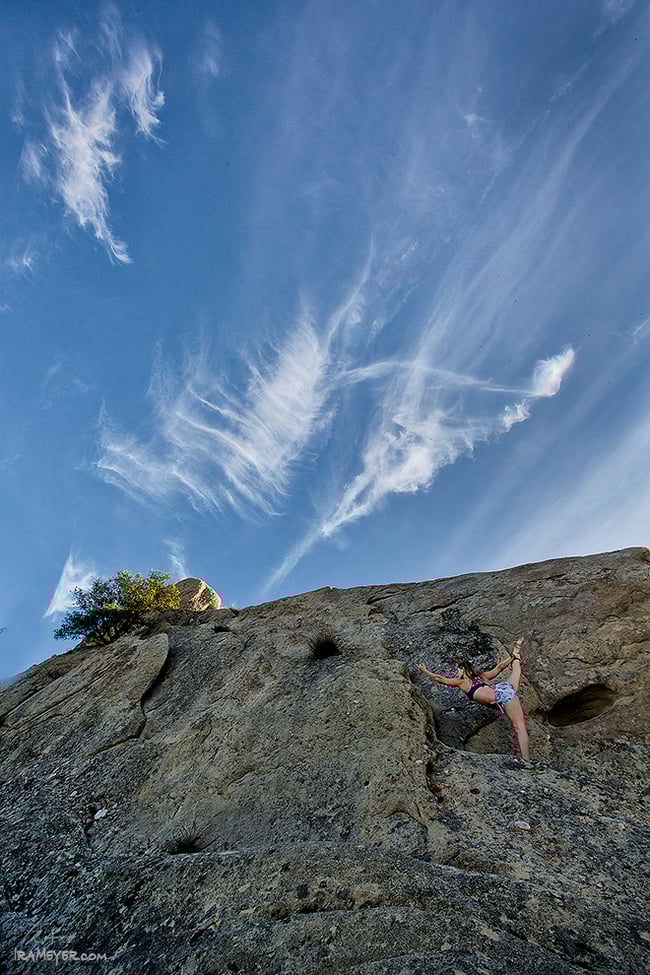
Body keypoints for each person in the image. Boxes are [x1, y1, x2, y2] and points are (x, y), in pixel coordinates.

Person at [416, 638, 529, 760]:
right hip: (504, 689)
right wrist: (511, 658)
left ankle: (526, 760)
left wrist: (425, 671)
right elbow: (500, 667)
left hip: (501, 696)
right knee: (516, 671)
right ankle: (516, 651)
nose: (457, 674)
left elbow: (440, 679)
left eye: (458, 671)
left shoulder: (463, 682)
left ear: (463, 670)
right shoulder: (482, 677)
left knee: (518, 727)